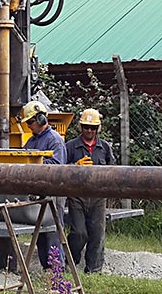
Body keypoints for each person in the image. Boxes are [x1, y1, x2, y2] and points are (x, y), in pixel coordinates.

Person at [0, 101, 67, 272]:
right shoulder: (33, 140)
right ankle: (46, 267)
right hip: (40, 192)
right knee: (41, 231)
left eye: (30, 122)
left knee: (52, 230)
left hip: (53, 192)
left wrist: (33, 163)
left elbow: (56, 165)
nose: (28, 126)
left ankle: (57, 268)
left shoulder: (54, 140)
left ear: (40, 119)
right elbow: (25, 158)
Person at [64, 108, 114, 273]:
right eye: (86, 127)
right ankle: (70, 263)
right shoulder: (70, 147)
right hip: (77, 197)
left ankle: (94, 269)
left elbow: (113, 170)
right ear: (81, 127)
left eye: (93, 128)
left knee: (97, 234)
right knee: (79, 233)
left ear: (98, 128)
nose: (89, 130)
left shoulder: (105, 148)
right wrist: (74, 167)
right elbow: (60, 171)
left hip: (98, 197)